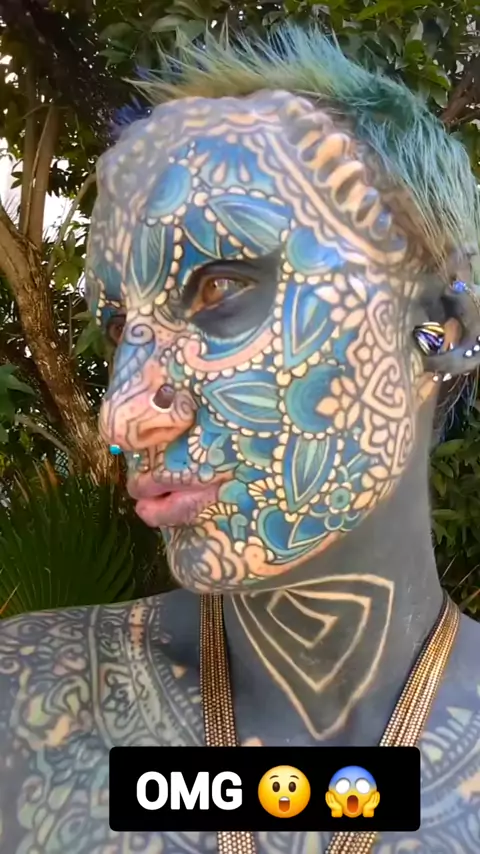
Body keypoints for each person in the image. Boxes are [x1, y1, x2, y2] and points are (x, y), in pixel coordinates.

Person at [1, 27, 480, 854]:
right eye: (117, 327)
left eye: (220, 287)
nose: (123, 416)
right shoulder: (24, 704)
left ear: (441, 328)